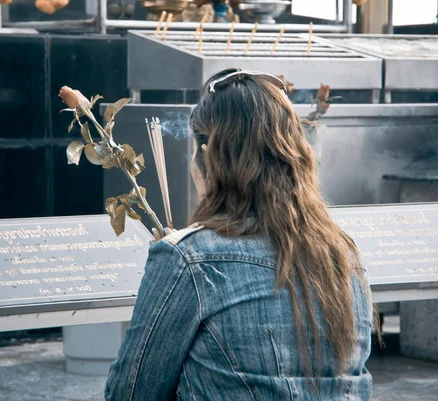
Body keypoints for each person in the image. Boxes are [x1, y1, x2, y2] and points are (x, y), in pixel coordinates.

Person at [104, 68, 374, 401]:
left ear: (208, 157)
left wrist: (176, 264)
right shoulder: (343, 255)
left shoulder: (187, 260)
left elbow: (129, 393)